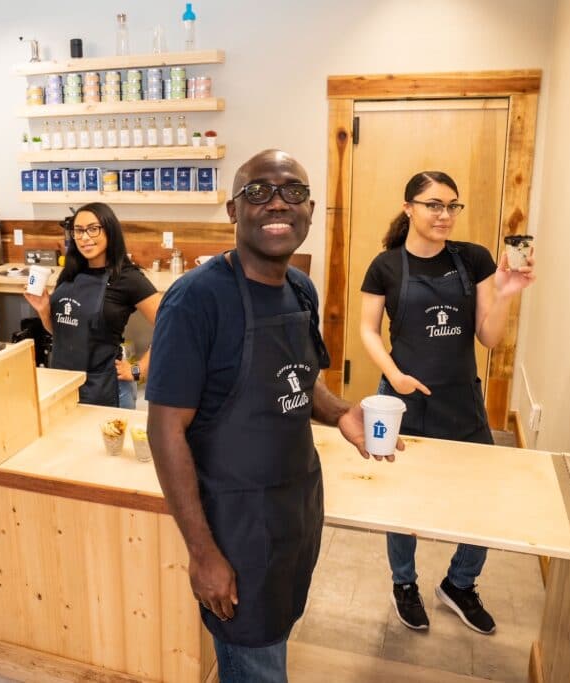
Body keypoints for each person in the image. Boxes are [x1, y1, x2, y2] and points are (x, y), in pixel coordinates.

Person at [146, 150, 394, 681]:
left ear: (309, 210)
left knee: (275, 637)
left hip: (296, 505)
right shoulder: (196, 301)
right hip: (233, 523)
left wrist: (340, 412)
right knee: (254, 662)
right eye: (258, 192)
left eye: (292, 191)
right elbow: (165, 430)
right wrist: (203, 552)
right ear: (234, 211)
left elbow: (301, 379)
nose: (277, 202)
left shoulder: (300, 289)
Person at [359, 171, 536, 635]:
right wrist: (394, 375)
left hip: (461, 399)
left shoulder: (473, 259)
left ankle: (459, 583)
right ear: (409, 208)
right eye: (433, 204)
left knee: (481, 500)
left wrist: (506, 294)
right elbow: (367, 330)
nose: (444, 215)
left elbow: (488, 336)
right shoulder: (385, 266)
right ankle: (404, 584)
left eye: (452, 206)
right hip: (401, 402)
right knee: (401, 502)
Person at [24, 202, 160, 407]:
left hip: (105, 390)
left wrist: (139, 369)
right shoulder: (70, 273)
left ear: (110, 231)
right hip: (63, 386)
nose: (84, 237)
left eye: (93, 229)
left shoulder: (127, 278)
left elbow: (172, 325)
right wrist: (44, 312)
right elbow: (62, 331)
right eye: (78, 231)